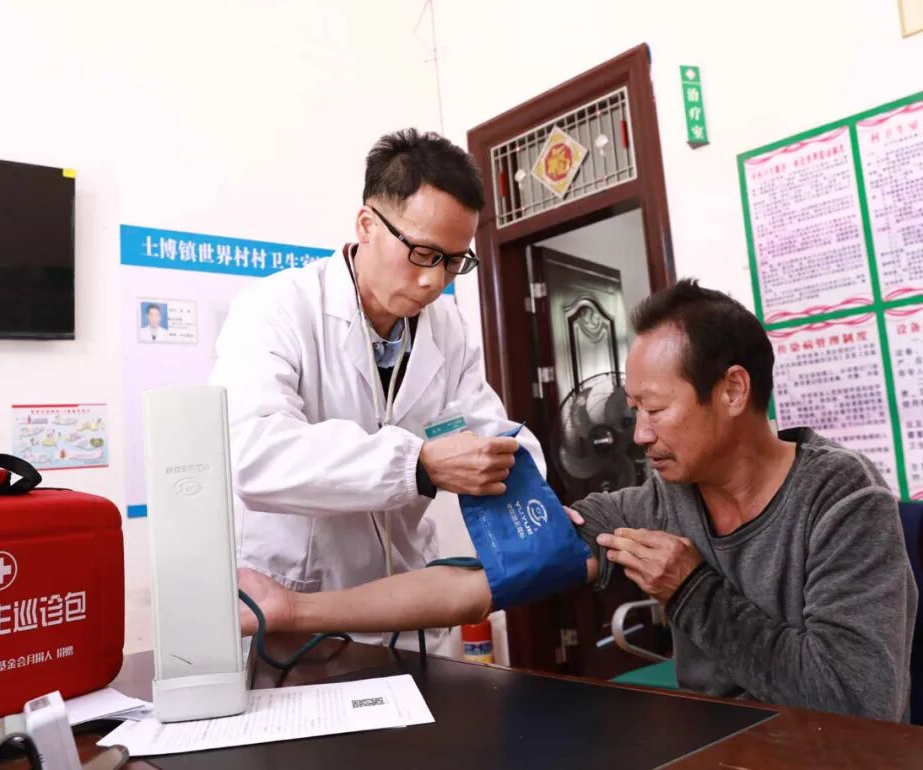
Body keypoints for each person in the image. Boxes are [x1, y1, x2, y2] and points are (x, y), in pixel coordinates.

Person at [238, 280, 918, 722]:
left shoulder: (843, 503)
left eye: (656, 409)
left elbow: (857, 703)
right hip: (716, 744)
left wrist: (691, 591)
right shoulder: (660, 502)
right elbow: (476, 587)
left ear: (734, 391)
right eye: (633, 409)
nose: (639, 434)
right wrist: (295, 610)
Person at [210, 129, 545, 650]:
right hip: (294, 606)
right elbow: (253, 455)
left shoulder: (448, 329)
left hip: (408, 607)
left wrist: (541, 502)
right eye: (424, 253)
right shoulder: (277, 308)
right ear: (367, 225)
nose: (436, 281)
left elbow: (489, 432)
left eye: (455, 261)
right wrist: (417, 465)